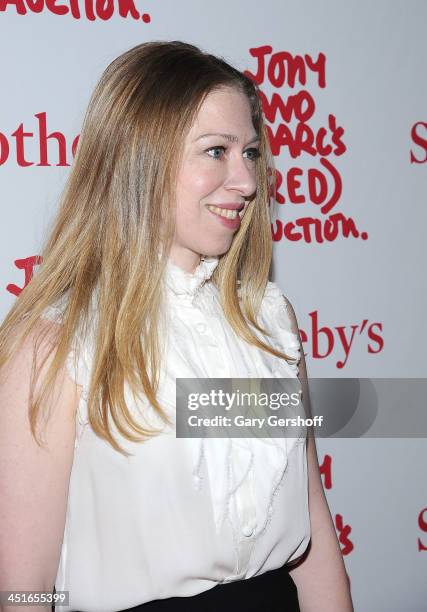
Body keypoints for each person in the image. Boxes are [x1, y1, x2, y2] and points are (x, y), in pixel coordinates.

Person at [0, 41, 353, 612]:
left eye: (251, 153)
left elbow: (311, 521)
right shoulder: (54, 344)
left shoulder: (267, 320)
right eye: (216, 151)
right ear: (140, 158)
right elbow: (22, 586)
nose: (245, 181)